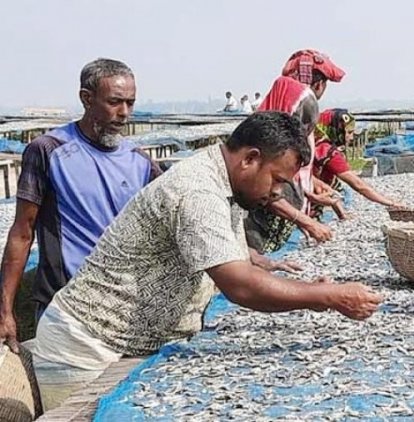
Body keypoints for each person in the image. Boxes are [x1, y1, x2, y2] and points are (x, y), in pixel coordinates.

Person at [30, 112, 384, 410]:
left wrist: (299, 284)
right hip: (86, 349)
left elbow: (235, 256)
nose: (278, 193)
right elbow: (239, 285)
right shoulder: (198, 191)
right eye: (277, 179)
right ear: (250, 158)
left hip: (128, 344)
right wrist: (329, 297)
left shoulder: (224, 183)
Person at [0, 58, 163, 354]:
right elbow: (23, 232)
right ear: (86, 99)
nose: (124, 113)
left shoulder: (140, 161)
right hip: (65, 309)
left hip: (123, 310)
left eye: (130, 103)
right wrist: (4, 312)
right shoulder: (49, 150)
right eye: (115, 102)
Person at [245, 49, 345, 253]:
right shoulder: (265, 151)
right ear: (319, 84)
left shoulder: (266, 129)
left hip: (282, 227)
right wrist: (307, 222)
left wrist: (310, 196)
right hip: (259, 233)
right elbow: (266, 190)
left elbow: (288, 178)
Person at [312, 109, 405, 218]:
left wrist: (341, 214)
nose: (351, 138)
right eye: (349, 132)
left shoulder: (311, 141)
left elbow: (330, 185)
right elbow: (358, 185)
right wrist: (390, 203)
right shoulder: (327, 152)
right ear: (337, 129)